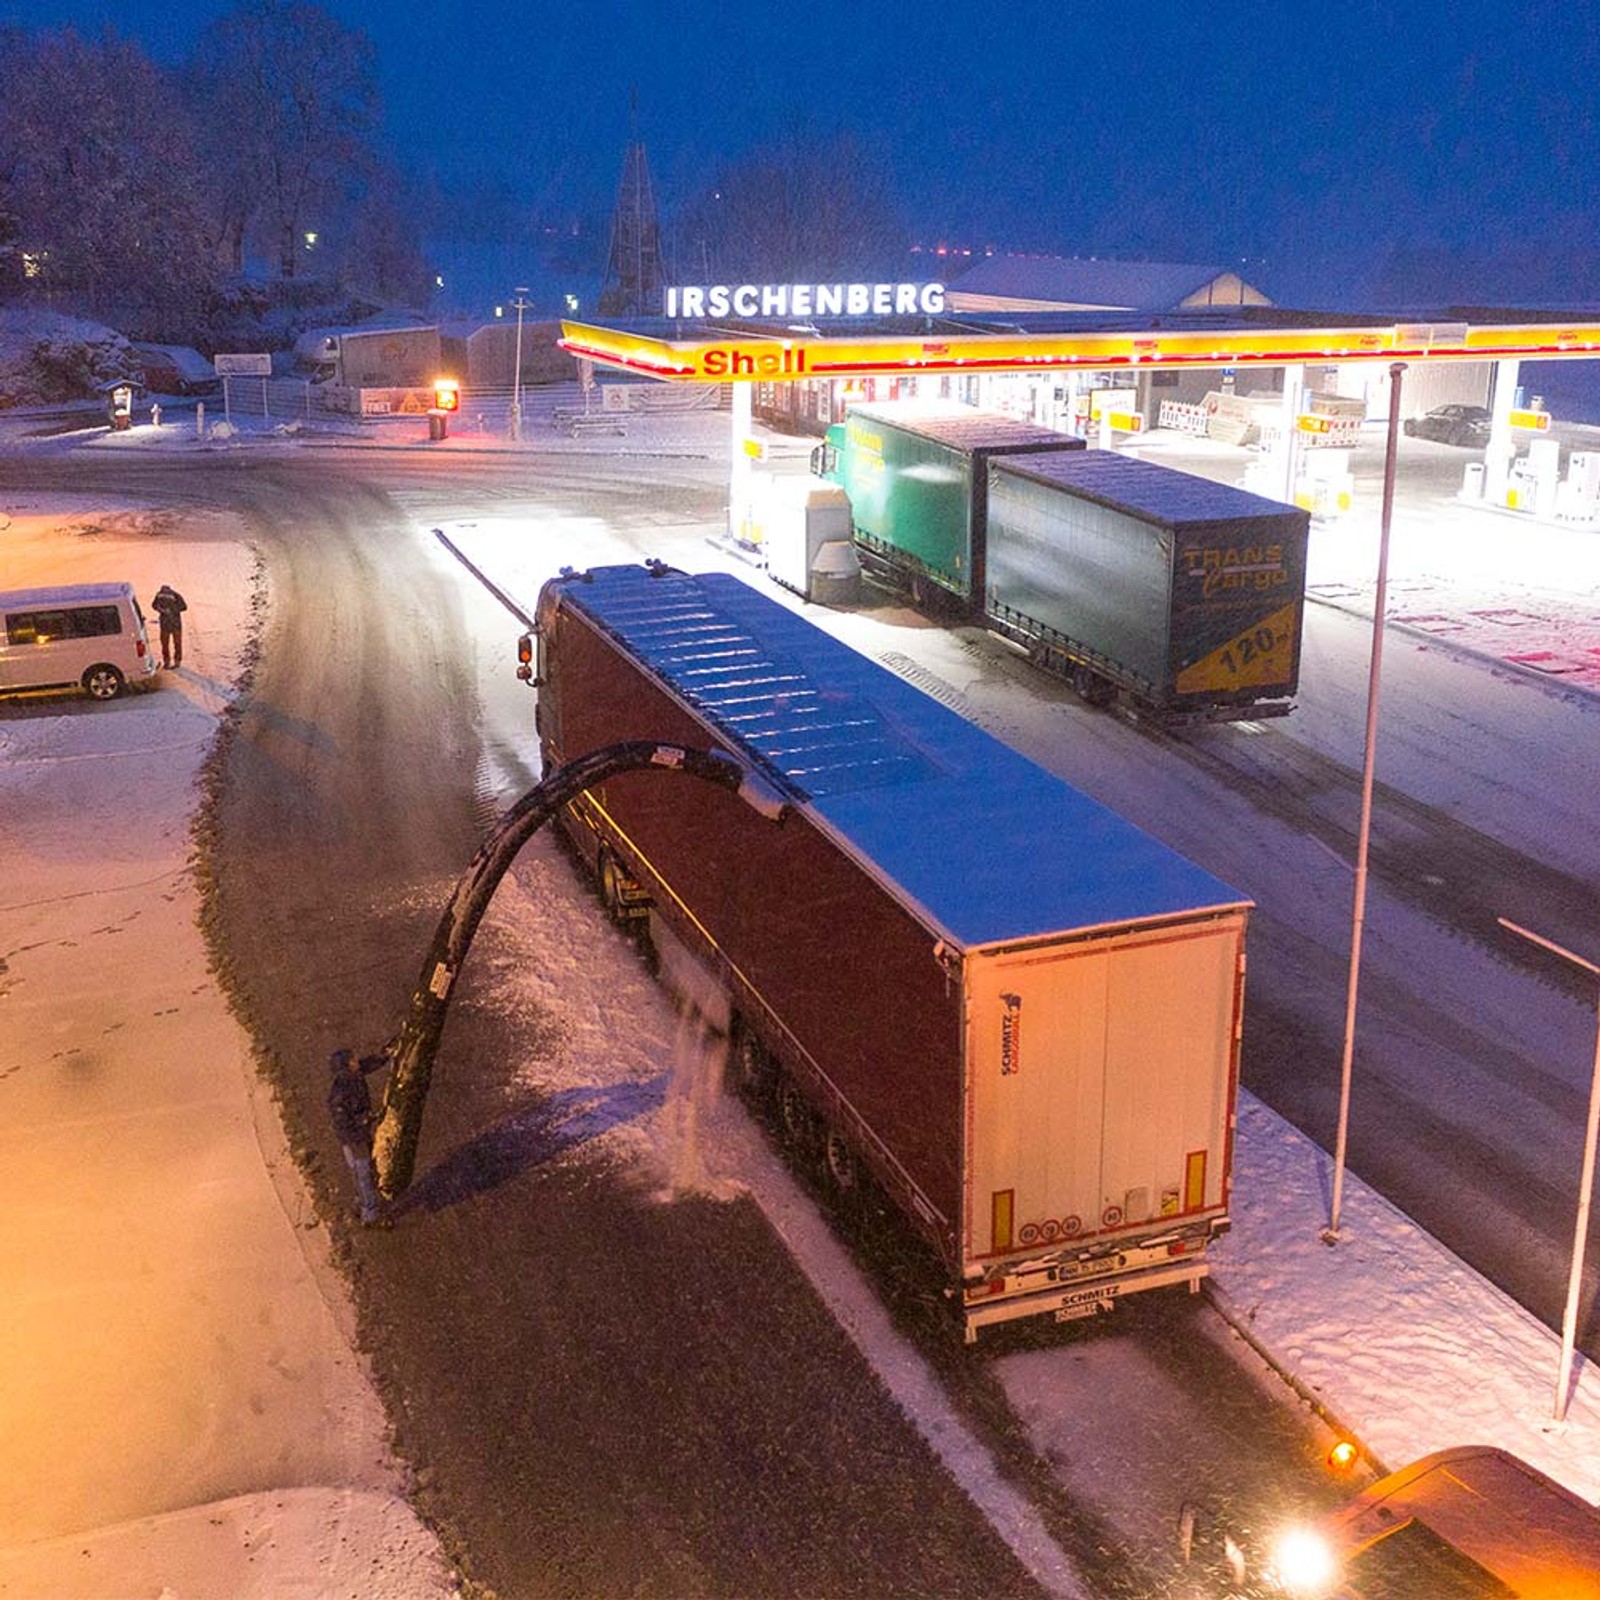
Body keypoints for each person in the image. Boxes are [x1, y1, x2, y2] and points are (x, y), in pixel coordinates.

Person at [327, 1046, 390, 1226]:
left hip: (359, 1135)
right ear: (347, 1066)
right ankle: (370, 1215)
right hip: (354, 1140)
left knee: (361, 1173)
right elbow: (343, 1123)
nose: (357, 1061)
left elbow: (369, 1063)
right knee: (364, 1173)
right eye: (353, 1060)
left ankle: (360, 1203)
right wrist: (364, 1120)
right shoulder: (339, 1095)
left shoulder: (353, 1075)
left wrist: (385, 1055)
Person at [151, 584, 187, 669]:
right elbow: (184, 607)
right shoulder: (175, 595)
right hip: (175, 624)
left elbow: (154, 605)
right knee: (176, 644)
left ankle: (168, 662)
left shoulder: (160, 595)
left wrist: (166, 610)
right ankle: (176, 661)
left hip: (167, 624)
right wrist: (164, 610)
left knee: (166, 644)